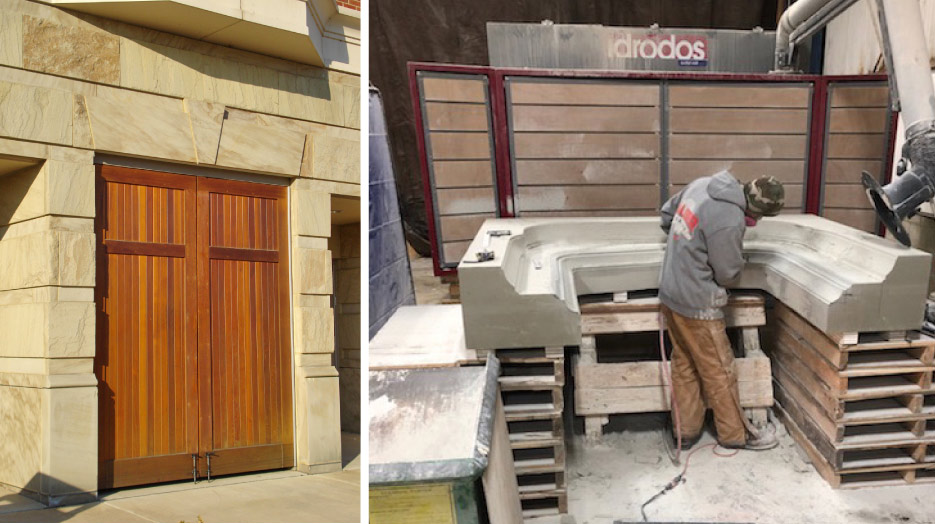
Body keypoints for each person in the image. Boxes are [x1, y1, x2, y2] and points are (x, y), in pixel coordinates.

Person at [658, 171, 784, 451]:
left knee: (685, 364)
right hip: (698, 304)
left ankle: (685, 431)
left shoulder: (703, 184)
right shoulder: (730, 219)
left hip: (671, 293)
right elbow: (728, 274)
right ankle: (735, 435)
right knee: (720, 371)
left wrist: (690, 250)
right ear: (756, 211)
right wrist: (734, 258)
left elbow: (667, 216)